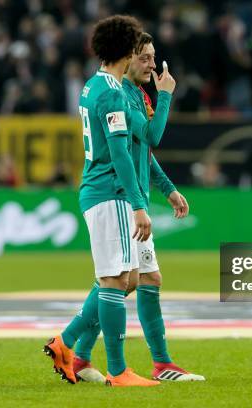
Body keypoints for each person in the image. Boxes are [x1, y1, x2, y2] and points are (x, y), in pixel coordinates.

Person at [71, 32, 205, 382]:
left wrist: (168, 189)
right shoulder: (122, 94)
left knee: (143, 278)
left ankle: (157, 363)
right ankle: (72, 346)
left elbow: (144, 152)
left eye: (153, 56)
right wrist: (165, 97)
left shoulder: (127, 92)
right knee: (119, 280)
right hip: (119, 196)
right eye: (145, 57)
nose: (152, 64)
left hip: (132, 196)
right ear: (127, 58)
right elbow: (152, 137)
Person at [42, 15, 158, 387]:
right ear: (127, 49)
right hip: (110, 192)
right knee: (115, 279)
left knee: (129, 278)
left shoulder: (93, 85)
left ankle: (68, 342)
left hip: (99, 189)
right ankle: (118, 369)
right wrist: (138, 204)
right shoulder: (109, 92)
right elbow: (121, 153)